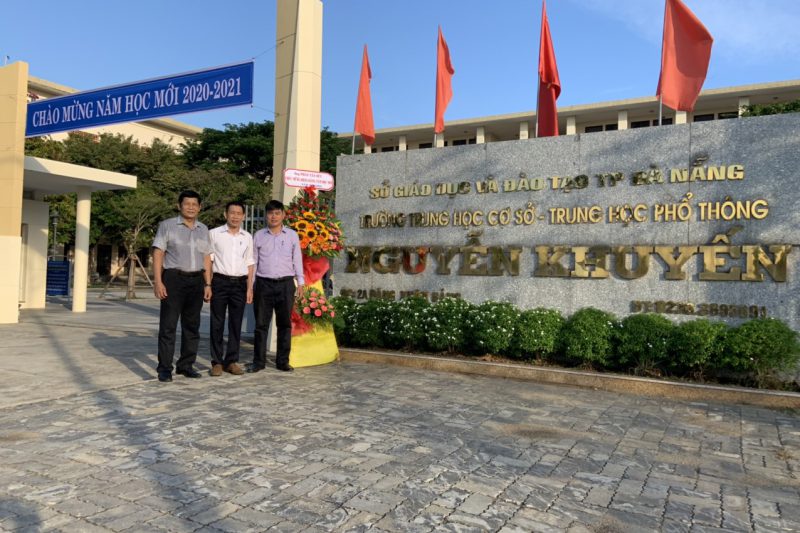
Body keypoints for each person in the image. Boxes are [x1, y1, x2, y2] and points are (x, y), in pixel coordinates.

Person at [152, 190, 212, 382]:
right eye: (187, 204)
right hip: (173, 279)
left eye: (195, 204)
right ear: (179, 206)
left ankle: (186, 365)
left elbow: (206, 257)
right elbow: (158, 253)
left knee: (192, 326)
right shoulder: (167, 225)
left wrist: (208, 283)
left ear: (199, 207)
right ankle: (164, 368)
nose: (191, 207)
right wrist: (158, 281)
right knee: (168, 326)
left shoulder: (203, 229)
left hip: (196, 281)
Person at [249, 199, 304, 373]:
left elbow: (297, 259)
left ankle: (282, 361)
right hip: (263, 284)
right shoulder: (258, 236)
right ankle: (258, 361)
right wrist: (251, 286)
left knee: (284, 324)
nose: (274, 216)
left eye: (277, 213)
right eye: (270, 213)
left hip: (286, 284)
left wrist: (300, 282)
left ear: (283, 215)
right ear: (266, 215)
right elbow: (253, 262)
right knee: (261, 325)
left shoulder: (292, 235)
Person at [208, 201, 254, 376]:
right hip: (219, 281)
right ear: (225, 214)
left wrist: (249, 288)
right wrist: (208, 284)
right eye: (232, 212)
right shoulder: (214, 234)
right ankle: (216, 362)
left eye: (238, 213)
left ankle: (231, 361)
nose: (235, 216)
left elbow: (250, 263)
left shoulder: (247, 237)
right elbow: (208, 261)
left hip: (240, 284)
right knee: (217, 322)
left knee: (236, 323)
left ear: (244, 216)